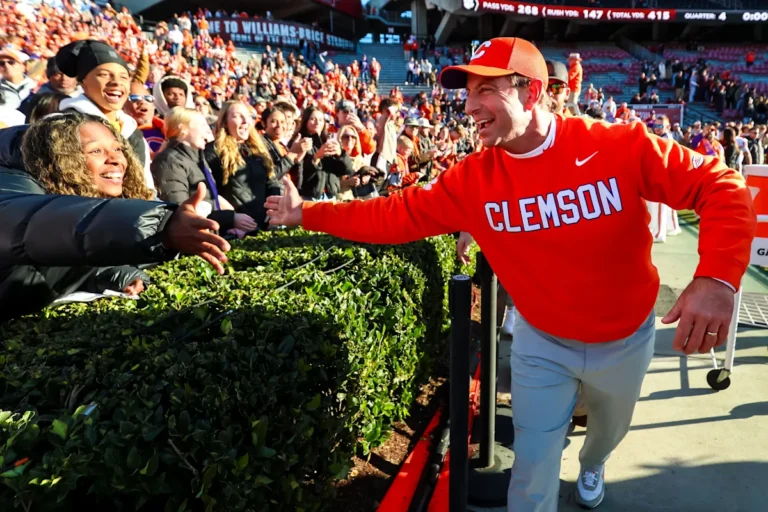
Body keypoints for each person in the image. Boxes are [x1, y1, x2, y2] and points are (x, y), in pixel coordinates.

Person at [266, 37, 756, 512]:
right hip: (541, 344)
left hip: (625, 339)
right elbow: (393, 215)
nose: (469, 106)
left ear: (532, 91)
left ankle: (594, 463)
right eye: (467, 92)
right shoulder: (472, 179)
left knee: (609, 432)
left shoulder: (615, 144)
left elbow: (721, 185)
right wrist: (306, 212)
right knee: (532, 468)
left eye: (486, 89)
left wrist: (716, 277)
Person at [0, 111, 227, 320]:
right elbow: (36, 225)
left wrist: (120, 275)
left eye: (118, 149)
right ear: (57, 159)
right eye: (96, 151)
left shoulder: (69, 192)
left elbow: (64, 255)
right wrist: (161, 227)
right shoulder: (11, 181)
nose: (116, 159)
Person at [55, 40, 156, 194]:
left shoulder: (132, 131)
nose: (116, 82)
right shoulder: (63, 126)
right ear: (82, 82)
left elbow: (147, 187)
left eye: (124, 77)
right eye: (104, 75)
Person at [151, 107, 257, 238]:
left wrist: (226, 227)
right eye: (202, 125)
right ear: (183, 129)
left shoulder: (197, 159)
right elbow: (179, 212)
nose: (208, 130)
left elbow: (209, 202)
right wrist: (229, 218)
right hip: (190, 243)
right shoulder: (169, 161)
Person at [204, 101, 279, 230]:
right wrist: (230, 219)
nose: (245, 121)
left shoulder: (259, 149)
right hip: (234, 231)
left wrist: (274, 209)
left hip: (264, 227)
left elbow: (272, 182)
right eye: (238, 116)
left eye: (248, 116)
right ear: (225, 122)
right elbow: (208, 192)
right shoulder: (213, 151)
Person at [124, 81, 166, 158]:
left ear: (154, 105)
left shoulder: (171, 130)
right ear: (123, 106)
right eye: (135, 98)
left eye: (148, 98)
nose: (143, 102)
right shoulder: (122, 134)